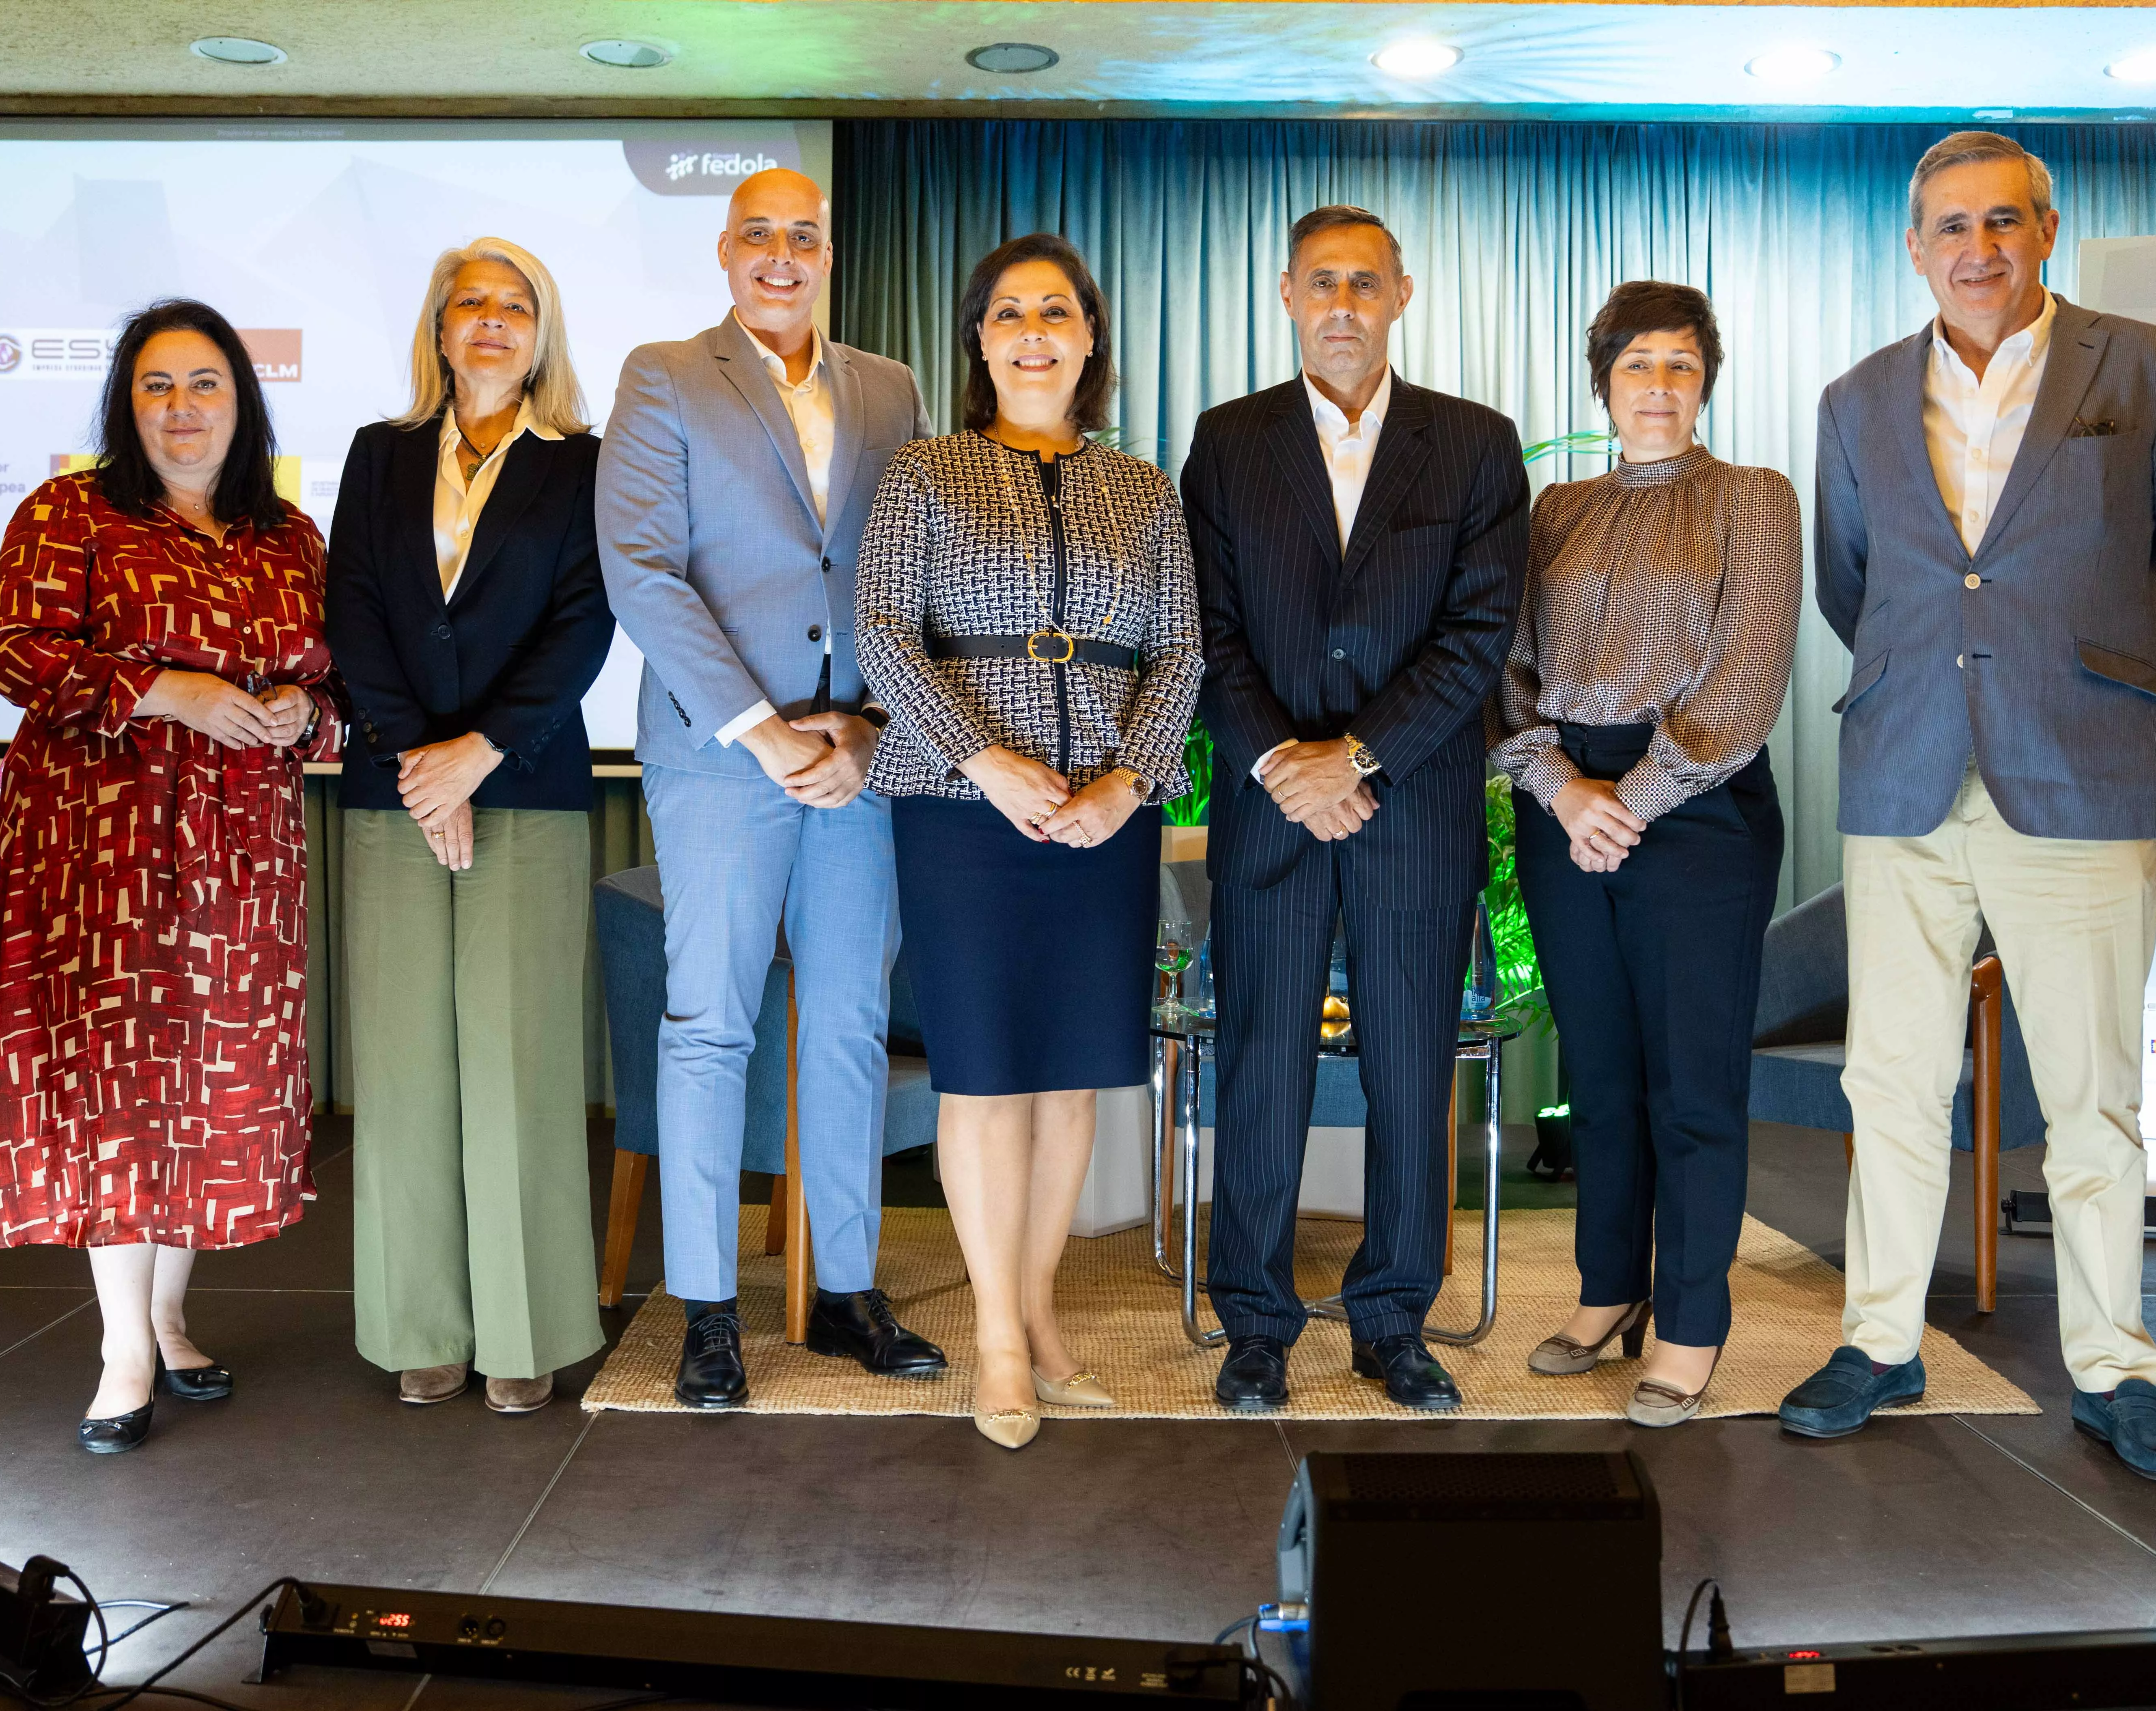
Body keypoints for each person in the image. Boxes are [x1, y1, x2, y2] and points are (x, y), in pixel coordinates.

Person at [1785, 132, 2156, 1480]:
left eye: (2002, 222)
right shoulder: (1858, 397)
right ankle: (1882, 1339)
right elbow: (1853, 584)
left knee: (2094, 1098)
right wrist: (1943, 682)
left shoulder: (2153, 370)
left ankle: (2114, 1371)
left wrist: (2089, 678)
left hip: (2085, 768)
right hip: (1907, 768)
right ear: (1915, 247)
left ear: (2045, 230)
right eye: (1949, 228)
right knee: (1893, 1078)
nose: (1977, 249)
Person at [0, 299, 343, 1453]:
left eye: (204, 383)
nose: (182, 407)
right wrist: (168, 691)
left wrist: (296, 711)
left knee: (210, 1082)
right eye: (158, 385)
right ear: (126, 401)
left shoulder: (292, 537)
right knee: (117, 1089)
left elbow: (342, 698)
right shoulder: (69, 512)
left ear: (241, 401)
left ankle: (171, 1314)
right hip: (96, 843)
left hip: (242, 852)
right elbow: (14, 651)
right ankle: (123, 1348)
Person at [600, 167, 944, 1409]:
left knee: (850, 1017)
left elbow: (915, 572)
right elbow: (641, 570)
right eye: (760, 236)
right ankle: (705, 1310)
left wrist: (870, 727)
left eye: (804, 237)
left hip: (860, 756)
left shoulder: (890, 389)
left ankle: (845, 1291)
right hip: (719, 756)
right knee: (711, 1024)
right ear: (726, 251)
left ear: (829, 253)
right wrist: (761, 729)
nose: (781, 257)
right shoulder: (665, 375)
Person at [856, 233, 1202, 1450]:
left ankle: (1043, 1319)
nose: (1035, 332)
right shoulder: (926, 473)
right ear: (980, 341)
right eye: (1009, 314)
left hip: (1105, 816)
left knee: (1071, 1076)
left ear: (1091, 337)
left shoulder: (1146, 489)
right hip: (962, 809)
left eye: (1057, 311)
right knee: (987, 1073)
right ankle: (997, 1338)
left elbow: (1184, 654)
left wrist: (1126, 784)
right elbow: (886, 635)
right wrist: (988, 761)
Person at [1180, 206, 1529, 1413]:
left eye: (1365, 284)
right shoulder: (1226, 444)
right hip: (1272, 813)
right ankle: (1257, 1329)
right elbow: (1207, 631)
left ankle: (1394, 1322)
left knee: (1409, 1070)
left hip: (1415, 818)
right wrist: (1286, 758)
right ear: (1286, 293)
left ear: (1402, 296)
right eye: (1322, 282)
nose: (1343, 304)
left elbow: (1479, 636)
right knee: (1262, 1070)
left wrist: (1359, 759)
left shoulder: (1476, 446)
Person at [1492, 281, 1799, 1427]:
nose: (1658, 386)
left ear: (1706, 379)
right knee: (1603, 1076)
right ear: (1604, 384)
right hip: (1564, 802)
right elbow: (1508, 671)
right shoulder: (1554, 511)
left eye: (1679, 364)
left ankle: (1691, 1324)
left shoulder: (1754, 499)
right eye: (1636, 366)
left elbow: (1749, 673)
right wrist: (1565, 788)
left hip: (1702, 807)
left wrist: (1640, 795)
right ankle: (1608, 1292)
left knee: (1693, 1084)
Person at [325, 238, 613, 1416]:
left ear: (541, 334)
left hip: (529, 784)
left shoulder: (586, 463)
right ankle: (419, 1327)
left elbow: (588, 623)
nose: (491, 324)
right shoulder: (376, 456)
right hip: (392, 792)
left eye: (515, 307)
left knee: (518, 1063)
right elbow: (349, 607)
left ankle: (523, 1329)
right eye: (470, 306)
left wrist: (479, 753)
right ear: (439, 330)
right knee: (399, 1069)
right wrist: (416, 762)